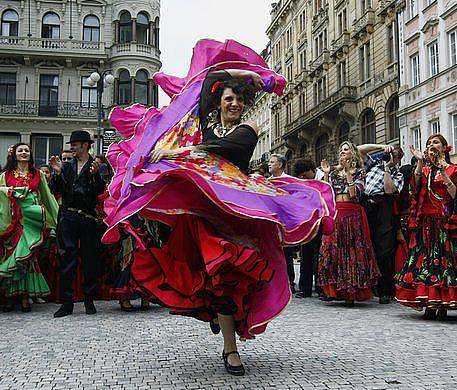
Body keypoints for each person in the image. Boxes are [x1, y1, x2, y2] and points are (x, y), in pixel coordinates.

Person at [102, 39, 335, 376]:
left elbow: (218, 150)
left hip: (237, 213)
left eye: (240, 99)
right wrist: (238, 74)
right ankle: (227, 339)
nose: (236, 104)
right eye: (229, 99)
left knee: (229, 277)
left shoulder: (247, 130)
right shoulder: (204, 124)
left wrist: (174, 155)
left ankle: (228, 338)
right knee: (213, 274)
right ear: (219, 103)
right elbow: (202, 84)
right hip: (205, 214)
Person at [396, 134, 457, 320]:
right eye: (429, 143)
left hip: (444, 222)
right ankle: (429, 302)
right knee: (425, 262)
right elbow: (413, 190)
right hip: (425, 224)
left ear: (445, 147)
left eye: (436, 142)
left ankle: (443, 303)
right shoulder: (425, 171)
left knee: (444, 262)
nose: (432, 145)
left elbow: (454, 194)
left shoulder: (453, 169)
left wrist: (444, 173)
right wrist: (420, 163)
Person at [49, 130, 105, 317]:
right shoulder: (67, 166)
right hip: (68, 216)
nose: (72, 147)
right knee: (66, 259)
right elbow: (55, 190)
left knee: (90, 260)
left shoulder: (97, 166)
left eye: (74, 144)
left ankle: (89, 300)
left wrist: (95, 175)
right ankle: (67, 303)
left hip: (88, 217)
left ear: (85, 145)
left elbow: (101, 191)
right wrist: (57, 174)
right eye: (71, 144)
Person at [318, 142, 380, 305]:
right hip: (337, 212)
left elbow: (354, 194)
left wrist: (348, 174)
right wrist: (326, 175)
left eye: (345, 150)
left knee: (351, 251)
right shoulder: (334, 172)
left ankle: (352, 291)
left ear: (352, 153)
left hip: (352, 213)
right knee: (333, 250)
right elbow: (328, 194)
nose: (342, 153)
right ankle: (334, 290)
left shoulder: (359, 171)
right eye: (341, 150)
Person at [0, 143, 58, 311]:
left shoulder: (37, 174)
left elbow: (47, 197)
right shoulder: (5, 175)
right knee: (12, 256)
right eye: (20, 150)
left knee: (28, 258)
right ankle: (11, 297)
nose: (24, 153)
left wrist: (55, 218)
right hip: (12, 220)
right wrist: (9, 192)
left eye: (26, 150)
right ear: (14, 155)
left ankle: (25, 297)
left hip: (31, 221)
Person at [357, 143, 404, 304]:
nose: (390, 157)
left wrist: (387, 169)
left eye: (394, 156)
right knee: (366, 246)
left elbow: (389, 190)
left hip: (384, 206)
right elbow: (358, 150)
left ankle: (386, 290)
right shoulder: (373, 165)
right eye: (390, 154)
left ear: (398, 159)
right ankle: (371, 286)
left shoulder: (397, 174)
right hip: (366, 205)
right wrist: (382, 146)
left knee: (384, 249)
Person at [268, 154, 298, 292]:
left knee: (287, 254)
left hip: (285, 223)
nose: (269, 164)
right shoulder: (266, 182)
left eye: (272, 162)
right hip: (271, 223)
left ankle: (289, 282)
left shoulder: (290, 181)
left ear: (280, 165)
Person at [294, 159, 323, 298]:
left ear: (312, 170)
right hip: (308, 222)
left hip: (322, 222)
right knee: (306, 254)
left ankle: (321, 286)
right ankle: (305, 288)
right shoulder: (302, 182)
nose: (303, 178)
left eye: (305, 175)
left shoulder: (323, 177)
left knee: (321, 255)